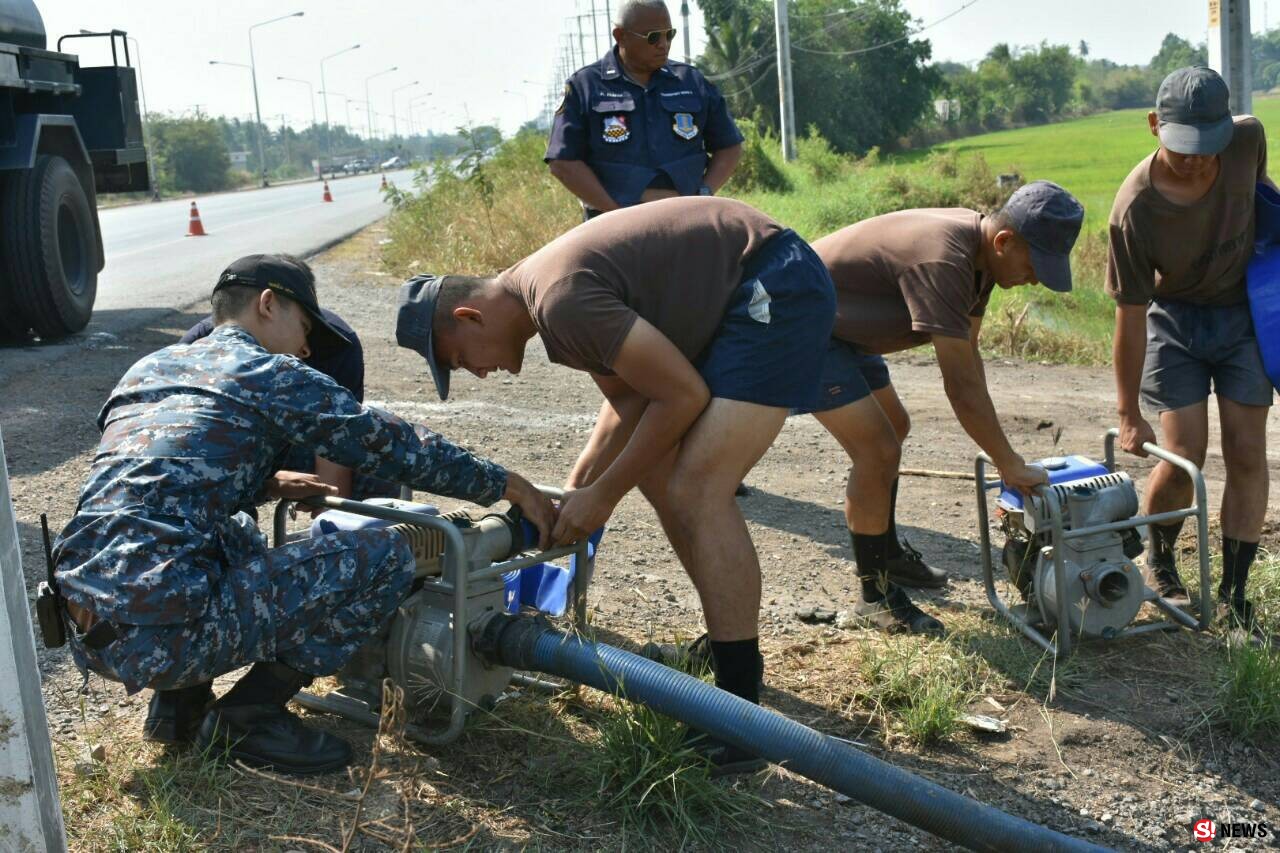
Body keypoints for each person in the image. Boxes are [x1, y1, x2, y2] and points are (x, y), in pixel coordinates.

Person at [52, 254, 555, 775]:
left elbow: (154, 483)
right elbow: (389, 444)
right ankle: (248, 716)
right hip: (160, 638)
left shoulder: (148, 367)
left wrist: (261, 481)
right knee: (386, 553)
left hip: (87, 629)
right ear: (268, 304)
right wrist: (506, 484)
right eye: (305, 326)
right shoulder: (265, 371)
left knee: (236, 532)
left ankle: (178, 704)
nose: (307, 346)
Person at [397, 196, 833, 774]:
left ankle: (741, 719)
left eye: (458, 359)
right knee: (659, 475)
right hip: (750, 282)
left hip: (775, 280)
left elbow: (682, 395)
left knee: (698, 490)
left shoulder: (560, 302)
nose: (476, 373)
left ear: (468, 317)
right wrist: (577, 494)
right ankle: (726, 649)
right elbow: (631, 406)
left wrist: (601, 496)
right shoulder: (548, 304)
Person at [807, 181, 1085, 633]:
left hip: (847, 329)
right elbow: (959, 385)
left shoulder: (983, 260)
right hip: (806, 323)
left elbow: (968, 355)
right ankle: (874, 597)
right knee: (877, 449)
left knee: (893, 427)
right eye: (1036, 266)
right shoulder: (946, 258)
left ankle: (887, 553)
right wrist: (1008, 463)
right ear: (1005, 241)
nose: (1036, 279)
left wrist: (1005, 455)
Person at [1107, 66, 1273, 628]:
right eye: (1183, 147)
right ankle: (1160, 556)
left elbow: (1262, 206)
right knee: (1185, 457)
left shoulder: (1248, 139)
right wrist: (1128, 412)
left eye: (1208, 146)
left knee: (1249, 453)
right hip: (1173, 323)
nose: (1197, 159)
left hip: (1241, 317)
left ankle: (1234, 591)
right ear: (1155, 126)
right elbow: (1129, 317)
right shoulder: (1134, 208)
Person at [181, 296, 394, 502]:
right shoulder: (199, 343)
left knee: (377, 461)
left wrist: (330, 524)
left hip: (289, 446)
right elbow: (189, 452)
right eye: (303, 327)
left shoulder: (338, 342)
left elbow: (339, 442)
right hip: (222, 455)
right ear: (267, 306)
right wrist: (269, 483)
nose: (305, 350)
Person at [546, 0, 743, 219]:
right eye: (653, 37)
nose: (663, 44)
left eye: (669, 34)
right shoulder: (584, 87)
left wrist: (705, 192)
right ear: (621, 36)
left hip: (687, 222)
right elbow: (562, 162)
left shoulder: (691, 82)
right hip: (612, 229)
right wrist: (615, 213)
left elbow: (729, 146)